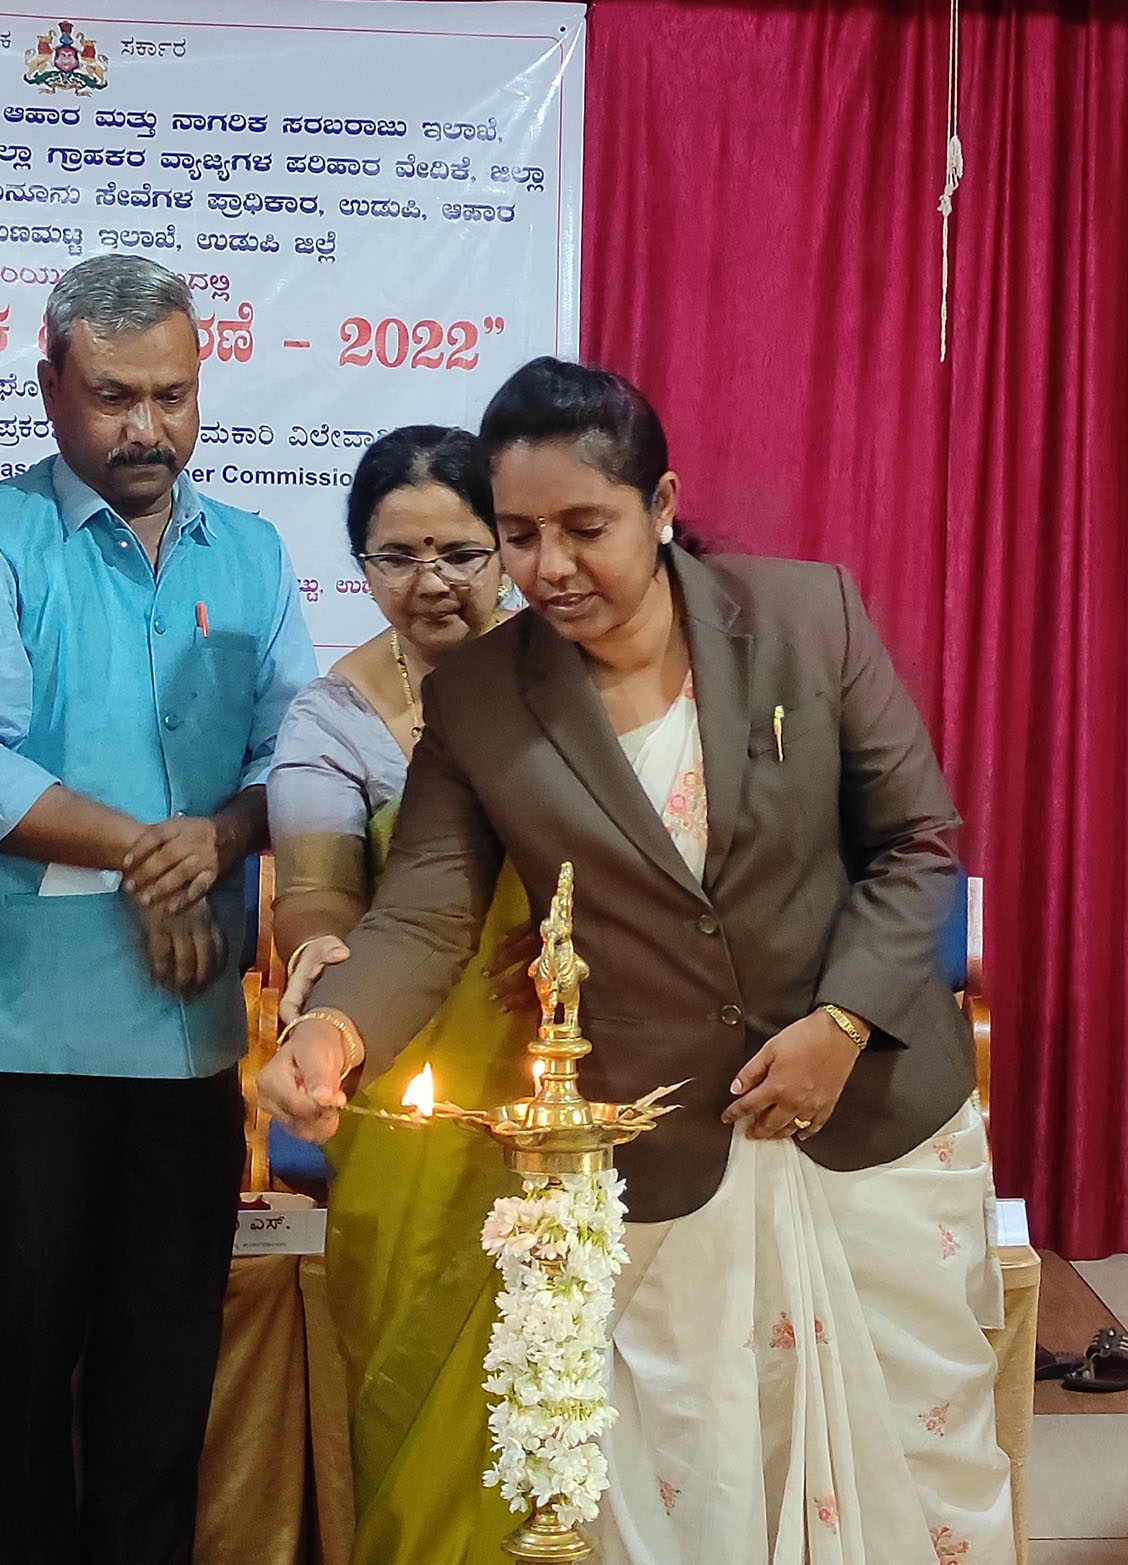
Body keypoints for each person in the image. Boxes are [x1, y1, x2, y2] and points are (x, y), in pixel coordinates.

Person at [258, 358, 1012, 1565]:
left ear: (660, 504)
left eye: (584, 526)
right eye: (519, 535)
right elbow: (426, 913)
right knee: (687, 1487)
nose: (549, 565)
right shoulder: (484, 697)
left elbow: (916, 844)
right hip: (655, 1147)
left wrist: (841, 1025)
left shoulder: (804, 619)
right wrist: (332, 1031)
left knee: (911, 1483)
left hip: (865, 1115)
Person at [0, 253, 315, 1564]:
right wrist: (157, 851)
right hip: (21, 1042)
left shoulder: (251, 553)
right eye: (114, 396)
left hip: (187, 1043)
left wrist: (224, 834)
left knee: (161, 1384)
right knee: (23, 1382)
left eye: (173, 396)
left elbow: (296, 758)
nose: (149, 428)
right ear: (49, 387)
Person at [265, 427, 536, 1564]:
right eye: (396, 557)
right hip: (408, 1072)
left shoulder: (573, 678)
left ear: (506, 549)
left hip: (572, 1073)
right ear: (360, 566)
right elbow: (317, 892)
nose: (431, 582)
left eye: (460, 553)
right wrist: (320, 961)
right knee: (415, 1371)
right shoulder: (333, 717)